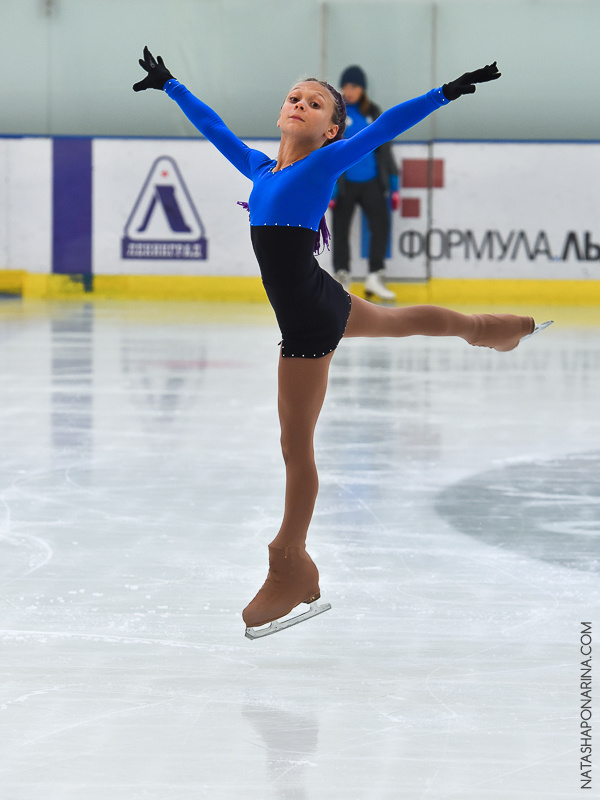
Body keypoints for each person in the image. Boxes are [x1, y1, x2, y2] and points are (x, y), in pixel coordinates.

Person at [133, 49, 550, 637]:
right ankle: (491, 329)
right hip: (323, 298)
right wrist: (171, 85)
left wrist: (448, 91)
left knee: (295, 446)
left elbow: (383, 127)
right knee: (399, 321)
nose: (299, 103)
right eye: (294, 97)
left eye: (315, 102)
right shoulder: (261, 171)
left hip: (307, 324)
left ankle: (291, 563)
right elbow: (215, 129)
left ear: (332, 129)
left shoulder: (326, 163)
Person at [331, 65, 398, 302]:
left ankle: (374, 276)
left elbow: (385, 148)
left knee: (381, 226)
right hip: (345, 183)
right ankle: (342, 277)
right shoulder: (335, 113)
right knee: (340, 230)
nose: (349, 91)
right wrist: (331, 187)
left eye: (354, 86)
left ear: (363, 89)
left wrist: (394, 183)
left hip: (371, 182)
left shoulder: (374, 113)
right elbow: (327, 149)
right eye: (346, 86)